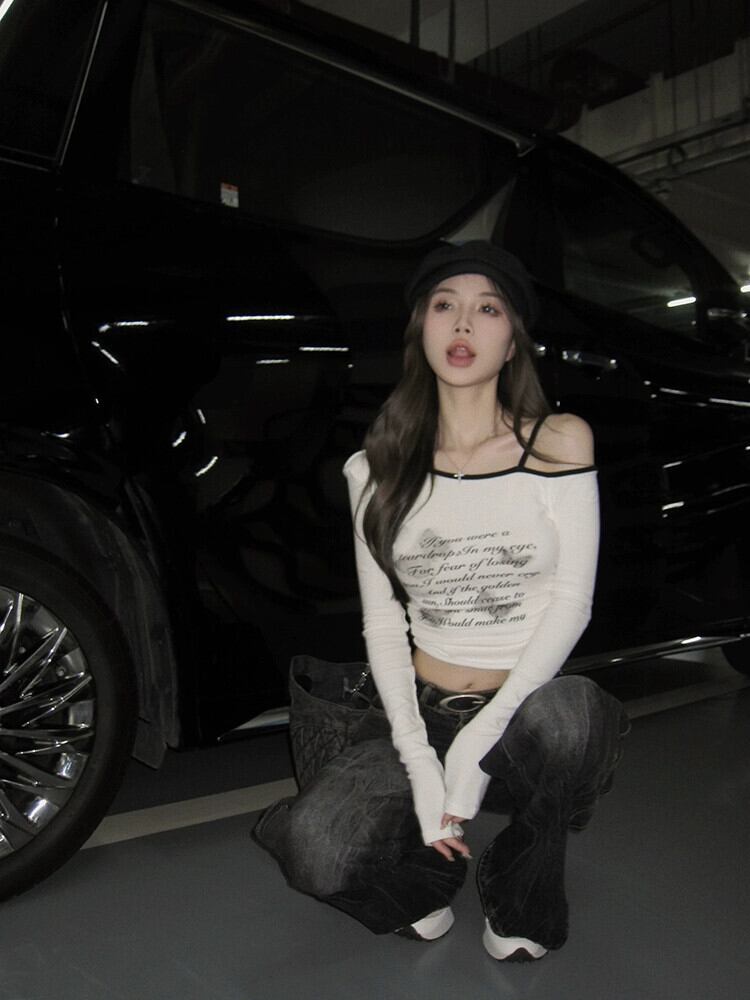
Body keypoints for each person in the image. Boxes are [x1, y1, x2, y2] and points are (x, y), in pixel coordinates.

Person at [254, 241, 629, 962]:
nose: (463, 324)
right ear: (421, 330)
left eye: (488, 309)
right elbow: (381, 623)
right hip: (420, 708)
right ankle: (422, 881)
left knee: (574, 719)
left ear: (512, 341)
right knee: (313, 851)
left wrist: (483, 740)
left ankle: (520, 887)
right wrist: (420, 759)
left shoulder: (557, 442)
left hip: (524, 711)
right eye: (444, 306)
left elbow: (571, 601)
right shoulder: (375, 469)